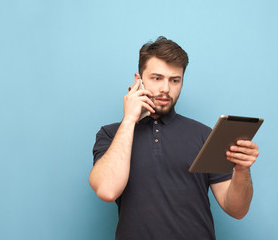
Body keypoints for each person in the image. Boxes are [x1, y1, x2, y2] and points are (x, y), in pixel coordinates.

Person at [89, 36, 260, 240]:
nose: (165, 89)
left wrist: (242, 169)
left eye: (175, 80)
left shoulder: (205, 136)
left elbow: (237, 210)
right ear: (138, 80)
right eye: (156, 78)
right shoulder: (110, 134)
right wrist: (129, 120)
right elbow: (107, 190)